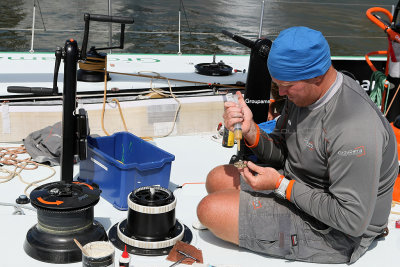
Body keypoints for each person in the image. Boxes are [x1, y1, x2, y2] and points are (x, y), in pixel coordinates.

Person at [196, 26, 399, 263]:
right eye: (277, 84)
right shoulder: (304, 93)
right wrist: (251, 130)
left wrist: (281, 186)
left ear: (317, 75)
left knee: (210, 210)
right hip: (302, 187)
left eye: (288, 86)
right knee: (216, 178)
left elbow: (351, 220)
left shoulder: (354, 128)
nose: (281, 93)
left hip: (339, 234)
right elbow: (283, 154)